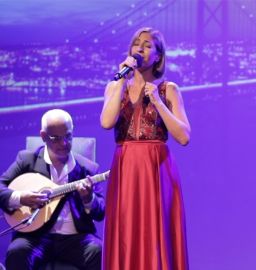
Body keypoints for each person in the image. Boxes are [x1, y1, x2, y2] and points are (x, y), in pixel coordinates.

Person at [100, 27, 191, 270]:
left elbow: (183, 137)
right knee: (126, 231)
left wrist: (159, 103)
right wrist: (120, 81)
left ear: (159, 56)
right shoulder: (114, 87)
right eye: (136, 44)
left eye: (148, 45)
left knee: (156, 232)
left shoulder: (168, 89)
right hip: (126, 166)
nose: (140, 49)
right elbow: (107, 123)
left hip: (156, 169)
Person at [0, 109, 104, 269]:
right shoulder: (27, 160)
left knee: (99, 251)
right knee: (17, 252)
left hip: (75, 238)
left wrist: (88, 199)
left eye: (68, 136)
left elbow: (101, 212)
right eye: (56, 138)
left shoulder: (87, 168)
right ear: (43, 136)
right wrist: (21, 197)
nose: (64, 143)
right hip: (36, 237)